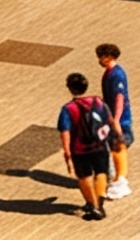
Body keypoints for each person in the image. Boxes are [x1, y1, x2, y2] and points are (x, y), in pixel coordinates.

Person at [57, 71, 118, 220]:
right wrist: (117, 136)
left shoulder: (68, 108)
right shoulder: (98, 102)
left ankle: (93, 205)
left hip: (80, 149)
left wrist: (67, 152)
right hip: (100, 145)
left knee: (84, 176)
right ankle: (100, 203)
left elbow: (65, 131)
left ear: (70, 88)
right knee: (101, 173)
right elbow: (109, 119)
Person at [95, 44, 135, 199]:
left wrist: (116, 120)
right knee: (113, 147)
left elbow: (120, 97)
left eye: (101, 56)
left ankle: (120, 181)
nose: (99, 60)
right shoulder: (110, 73)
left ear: (109, 57)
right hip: (112, 117)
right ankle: (115, 178)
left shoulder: (116, 75)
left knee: (118, 147)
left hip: (119, 119)